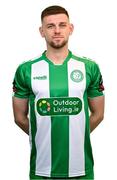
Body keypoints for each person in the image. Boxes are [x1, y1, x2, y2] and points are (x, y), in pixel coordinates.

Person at [12, 5, 105, 180]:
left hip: (81, 168)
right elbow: (19, 118)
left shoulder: (89, 67)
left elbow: (98, 114)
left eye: (62, 25)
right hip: (41, 169)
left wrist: (76, 134)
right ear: (41, 31)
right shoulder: (26, 70)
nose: (56, 31)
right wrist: (43, 135)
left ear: (71, 29)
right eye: (50, 26)